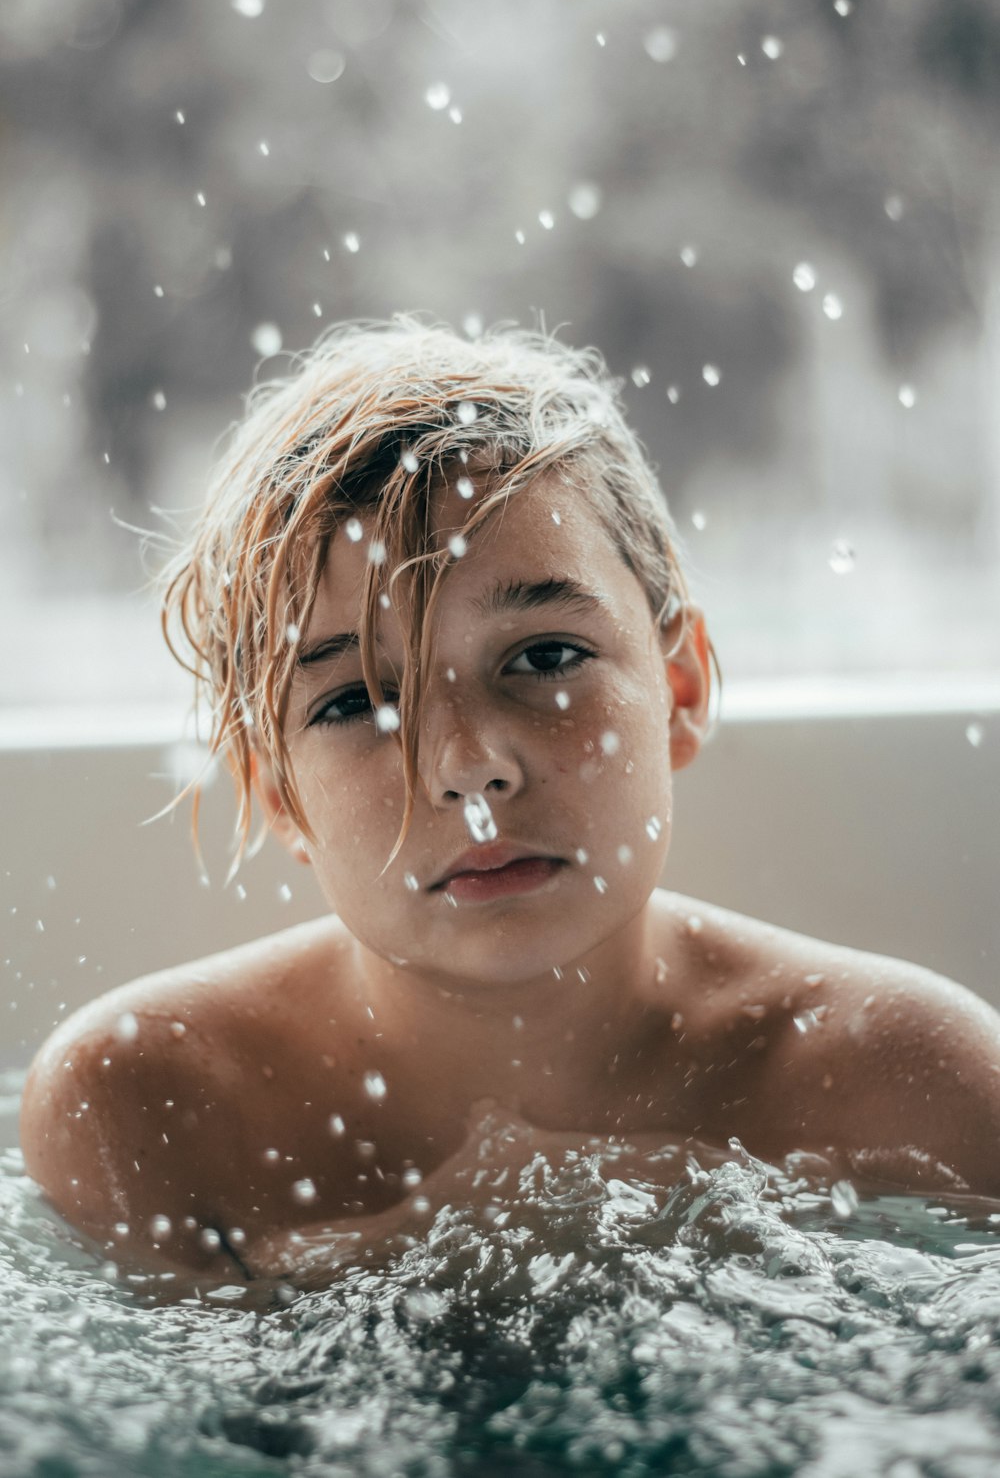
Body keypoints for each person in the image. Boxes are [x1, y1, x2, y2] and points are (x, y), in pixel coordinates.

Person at [19, 316, 1000, 1289]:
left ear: (681, 691)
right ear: (278, 795)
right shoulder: (152, 1104)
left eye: (544, 658)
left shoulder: (907, 1082)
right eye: (357, 699)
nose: (465, 764)